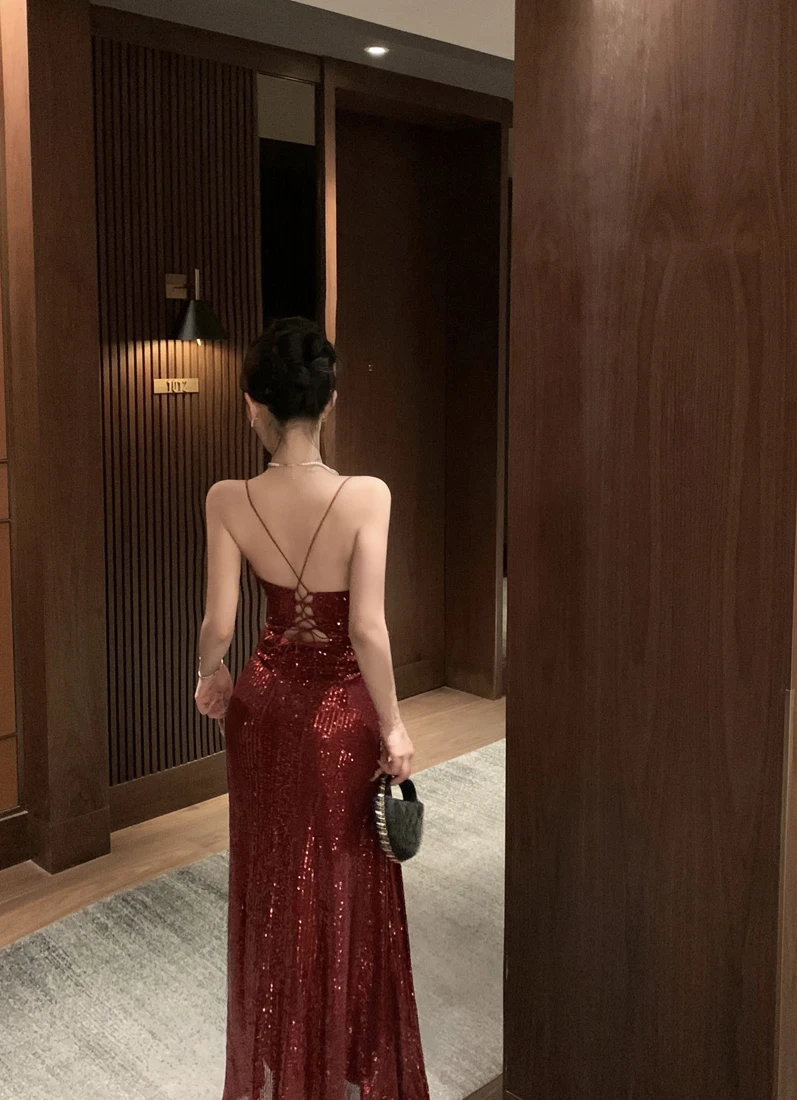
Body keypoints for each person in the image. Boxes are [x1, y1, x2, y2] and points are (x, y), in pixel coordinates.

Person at [194, 317, 430, 1100]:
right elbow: (366, 628)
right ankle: (339, 1056)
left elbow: (219, 624)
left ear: (253, 406)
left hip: (262, 708)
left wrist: (211, 675)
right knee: (341, 874)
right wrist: (393, 724)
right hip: (340, 716)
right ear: (328, 401)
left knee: (271, 875)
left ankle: (281, 1055)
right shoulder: (367, 495)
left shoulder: (227, 499)